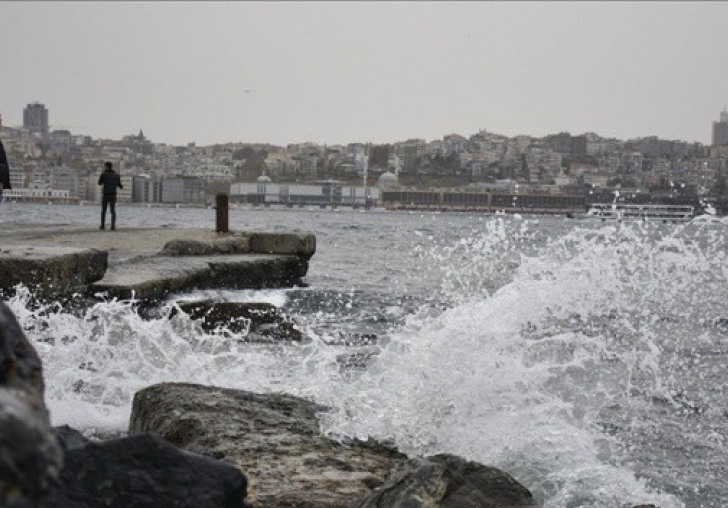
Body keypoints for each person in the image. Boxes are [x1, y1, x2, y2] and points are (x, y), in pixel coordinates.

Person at [97, 161, 122, 230]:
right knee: (113, 210)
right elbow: (120, 185)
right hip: (113, 195)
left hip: (106, 194)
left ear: (106, 167)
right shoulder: (116, 175)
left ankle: (102, 225)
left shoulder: (104, 174)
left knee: (104, 210)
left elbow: (99, 183)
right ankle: (113, 226)